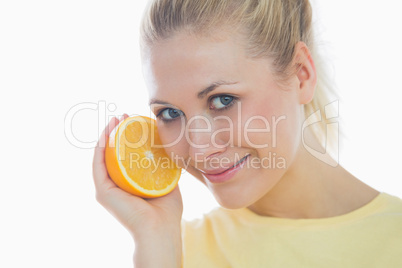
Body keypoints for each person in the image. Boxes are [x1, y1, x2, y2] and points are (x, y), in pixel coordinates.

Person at [92, 0, 402, 267]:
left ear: (301, 75)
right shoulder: (172, 252)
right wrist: (159, 248)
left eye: (222, 101)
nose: (199, 150)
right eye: (170, 114)